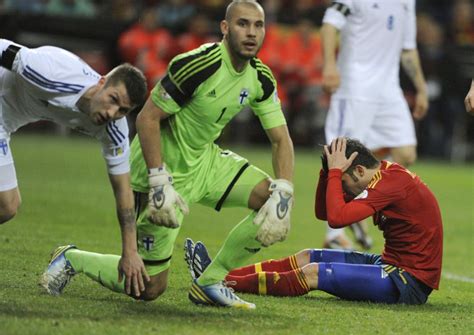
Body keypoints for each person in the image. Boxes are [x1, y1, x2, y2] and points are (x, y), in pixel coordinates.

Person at [42, 0, 295, 309]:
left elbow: (281, 139)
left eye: (258, 25)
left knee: (271, 199)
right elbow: (146, 119)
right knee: (149, 287)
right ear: (225, 28)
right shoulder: (197, 65)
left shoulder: (260, 77)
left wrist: (285, 191)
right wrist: (159, 180)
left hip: (206, 162)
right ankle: (71, 258)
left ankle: (210, 281)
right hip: (159, 175)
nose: (252, 33)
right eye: (243, 24)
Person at [186, 137, 443, 304]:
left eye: (343, 182)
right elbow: (324, 212)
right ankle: (215, 273)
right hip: (389, 264)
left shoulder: (390, 184)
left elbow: (336, 218)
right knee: (307, 256)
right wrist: (327, 171)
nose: (342, 190)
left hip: (408, 281)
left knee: (312, 273)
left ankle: (220, 283)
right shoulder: (380, 176)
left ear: (360, 171)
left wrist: (333, 173)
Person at [0, 39, 148, 296]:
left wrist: (130, 252)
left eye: (122, 110)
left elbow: (124, 192)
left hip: (4, 124)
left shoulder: (114, 129)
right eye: (113, 99)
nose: (112, 112)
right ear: (102, 81)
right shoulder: (52, 72)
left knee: (7, 206)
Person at [320, 0, 429, 250]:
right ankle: (333, 234)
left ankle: (362, 200)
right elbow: (329, 25)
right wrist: (329, 65)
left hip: (388, 88)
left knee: (405, 152)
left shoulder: (407, 2)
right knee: (341, 157)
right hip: (354, 86)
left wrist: (421, 88)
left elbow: (408, 49)